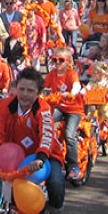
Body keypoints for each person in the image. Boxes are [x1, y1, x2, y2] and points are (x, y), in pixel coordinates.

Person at [0, 67, 67, 214]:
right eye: (22, 89)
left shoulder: (43, 109)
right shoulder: (6, 106)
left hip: (44, 156)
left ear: (39, 93)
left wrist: (41, 157)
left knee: (56, 182)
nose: (25, 94)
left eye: (30, 91)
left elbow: (47, 135)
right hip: (14, 154)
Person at [43, 48, 85, 181]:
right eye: (54, 60)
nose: (57, 63)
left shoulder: (71, 74)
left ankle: (74, 167)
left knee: (69, 134)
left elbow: (76, 86)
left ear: (68, 62)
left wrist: (71, 93)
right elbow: (43, 87)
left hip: (74, 109)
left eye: (61, 60)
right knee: (43, 122)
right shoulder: (52, 74)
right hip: (59, 107)